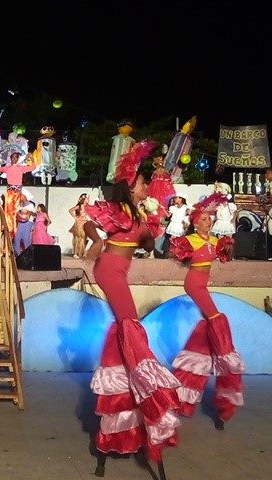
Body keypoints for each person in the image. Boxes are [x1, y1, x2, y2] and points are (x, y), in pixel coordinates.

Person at [82, 140, 180, 474]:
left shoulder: (138, 213)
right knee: (131, 325)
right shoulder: (118, 210)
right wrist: (96, 242)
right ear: (130, 187)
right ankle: (144, 382)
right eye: (141, 183)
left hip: (120, 269)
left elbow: (148, 244)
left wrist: (155, 221)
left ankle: (128, 385)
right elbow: (88, 223)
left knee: (129, 327)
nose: (145, 187)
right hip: (109, 269)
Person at [169, 192, 244, 430]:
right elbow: (179, 256)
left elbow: (225, 258)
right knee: (218, 321)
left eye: (209, 219)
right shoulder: (190, 240)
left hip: (203, 285)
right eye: (203, 219)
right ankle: (226, 359)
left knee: (206, 334)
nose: (208, 222)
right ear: (195, 221)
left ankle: (189, 386)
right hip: (194, 285)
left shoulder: (213, 241)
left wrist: (230, 246)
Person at [0, 150, 35, 237]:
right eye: (13, 157)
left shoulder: (21, 168)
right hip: (10, 192)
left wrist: (31, 158)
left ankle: (16, 232)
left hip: (18, 193)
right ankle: (9, 232)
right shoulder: (7, 168)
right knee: (9, 213)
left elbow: (33, 167)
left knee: (17, 212)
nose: (14, 159)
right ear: (11, 159)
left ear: (18, 159)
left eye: (16, 157)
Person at [68, 193, 89, 258]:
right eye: (87, 199)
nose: (88, 200)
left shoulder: (87, 207)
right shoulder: (79, 206)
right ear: (84, 199)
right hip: (79, 224)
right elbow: (70, 210)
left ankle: (81, 252)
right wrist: (75, 217)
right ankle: (75, 253)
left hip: (85, 223)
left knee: (84, 238)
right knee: (77, 238)